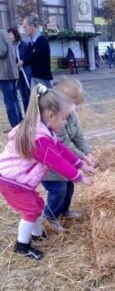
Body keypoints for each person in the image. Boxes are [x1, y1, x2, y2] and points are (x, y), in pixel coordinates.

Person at [0, 84, 94, 260]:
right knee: (31, 210)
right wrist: (80, 178)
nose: (65, 122)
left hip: (19, 181)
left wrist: (81, 164)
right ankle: (22, 245)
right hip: (11, 181)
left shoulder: (45, 130)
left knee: (37, 205)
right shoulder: (39, 139)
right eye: (63, 118)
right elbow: (58, 162)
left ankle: (37, 234)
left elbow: (62, 150)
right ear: (51, 115)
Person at [42, 77, 96, 232]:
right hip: (50, 168)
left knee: (69, 187)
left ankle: (64, 210)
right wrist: (82, 159)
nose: (77, 108)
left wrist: (88, 152)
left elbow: (79, 137)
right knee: (58, 190)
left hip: (65, 163)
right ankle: (50, 216)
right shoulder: (54, 120)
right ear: (62, 102)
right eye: (75, 104)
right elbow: (64, 144)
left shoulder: (70, 115)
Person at [18, 15, 53, 88]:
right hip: (35, 77)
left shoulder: (41, 40)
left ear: (32, 26)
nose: (24, 29)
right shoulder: (31, 42)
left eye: (25, 27)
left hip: (43, 79)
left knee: (46, 99)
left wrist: (23, 62)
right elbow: (28, 56)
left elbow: (37, 57)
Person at [0, 28, 22, 131]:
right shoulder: (3, 33)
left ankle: (15, 127)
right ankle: (19, 124)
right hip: (10, 72)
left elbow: (2, 52)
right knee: (14, 99)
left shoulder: (0, 33)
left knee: (10, 101)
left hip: (5, 73)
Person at [8, 27, 32, 112]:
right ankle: (27, 115)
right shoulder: (9, 47)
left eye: (11, 34)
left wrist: (23, 61)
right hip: (17, 74)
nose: (9, 36)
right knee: (23, 96)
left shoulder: (23, 45)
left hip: (26, 72)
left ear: (15, 34)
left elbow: (29, 57)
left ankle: (32, 114)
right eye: (8, 34)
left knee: (28, 93)